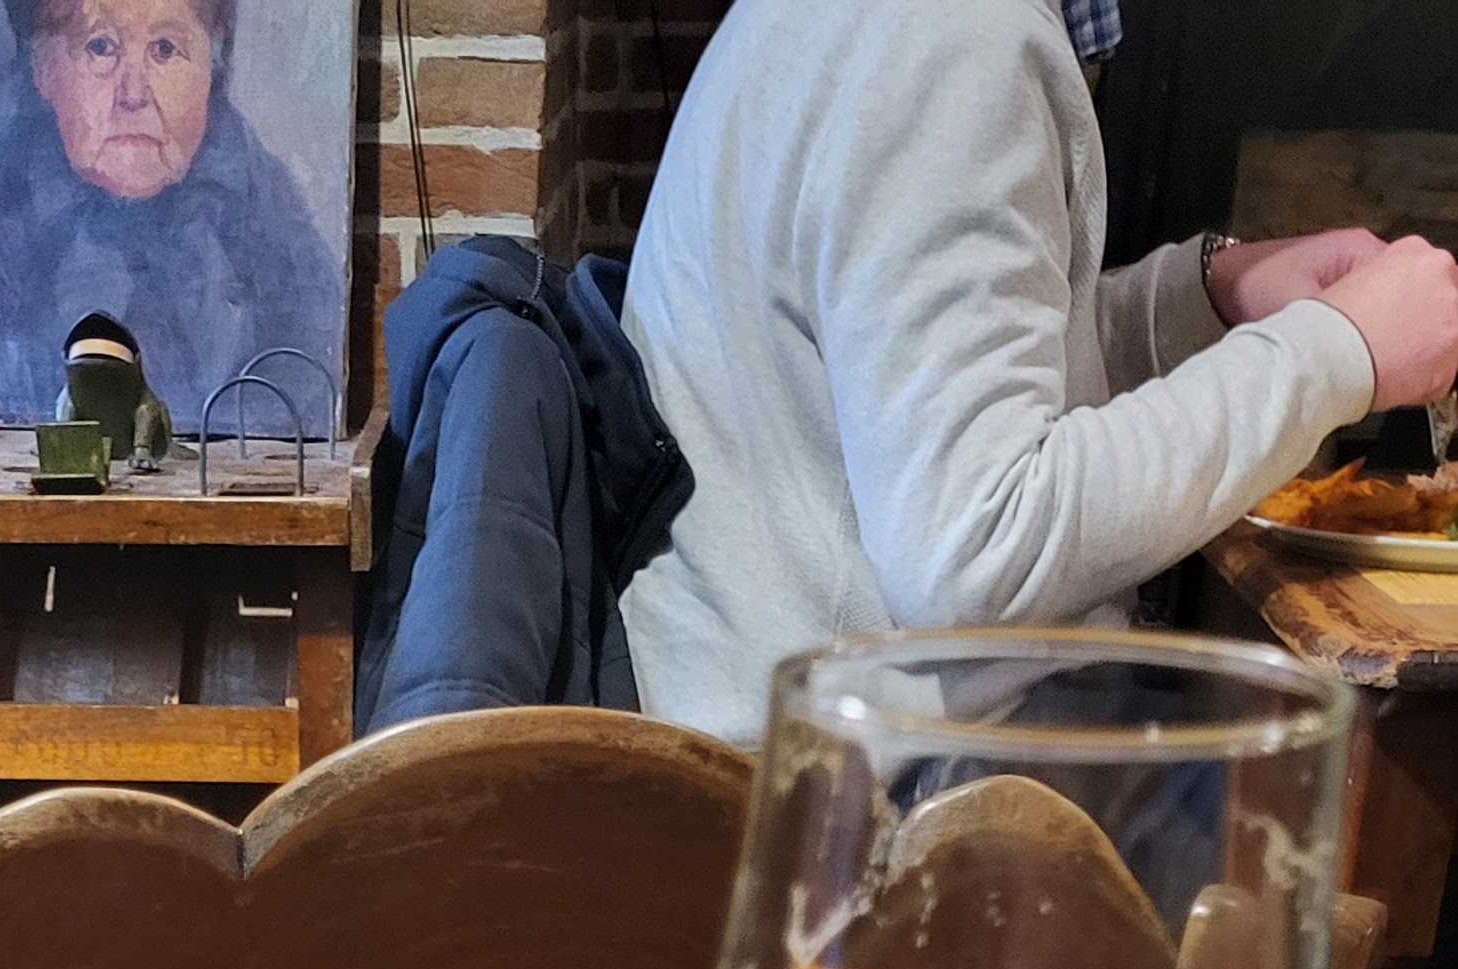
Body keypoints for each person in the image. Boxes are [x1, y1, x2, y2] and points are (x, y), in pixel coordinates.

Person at [619, 0, 1458, 747]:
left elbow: (931, 373)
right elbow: (979, 549)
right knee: (1377, 786)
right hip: (869, 803)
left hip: (800, 736)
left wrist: (1208, 294)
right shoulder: (954, 35)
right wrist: (1337, 353)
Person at [0, 0, 346, 438]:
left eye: (165, 49)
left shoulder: (264, 209)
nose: (134, 95)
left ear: (212, 67)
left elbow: (304, 379)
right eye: (100, 47)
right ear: (42, 69)